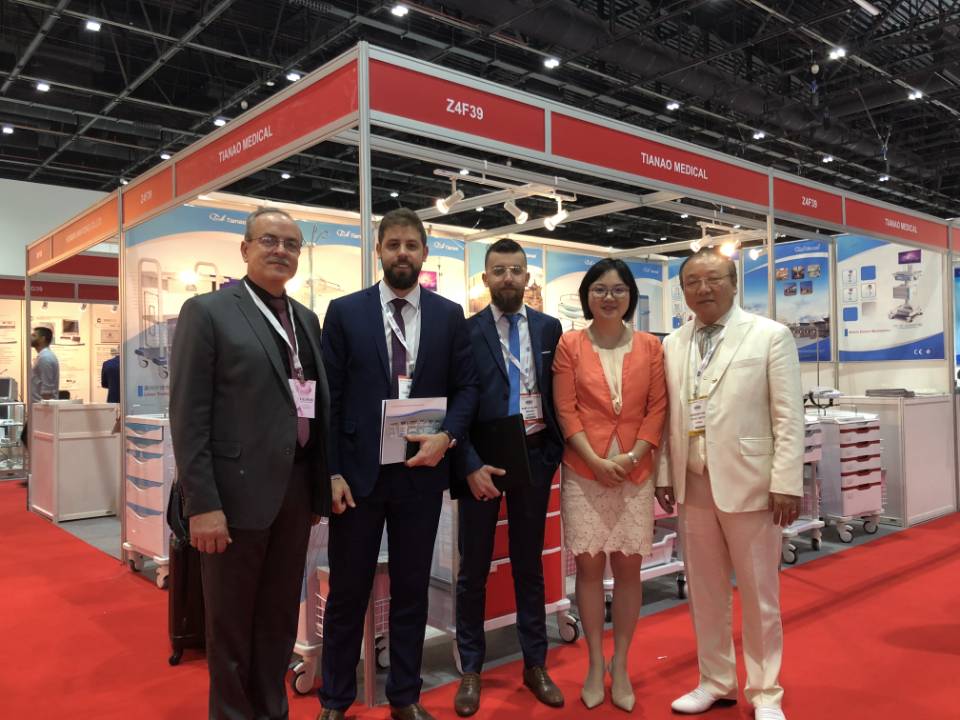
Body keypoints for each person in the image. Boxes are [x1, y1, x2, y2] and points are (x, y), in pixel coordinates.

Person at [169, 206, 332, 720]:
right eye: (269, 240)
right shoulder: (208, 312)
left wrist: (317, 488)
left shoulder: (305, 319)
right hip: (232, 497)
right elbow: (188, 416)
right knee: (232, 625)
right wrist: (202, 505)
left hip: (294, 491)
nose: (280, 250)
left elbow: (312, 405)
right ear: (244, 249)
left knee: (279, 619)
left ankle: (270, 711)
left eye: (291, 244)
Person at [318, 208, 479, 720]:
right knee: (348, 591)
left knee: (411, 591)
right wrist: (332, 471)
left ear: (425, 252)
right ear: (379, 251)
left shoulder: (449, 315)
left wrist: (448, 438)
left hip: (420, 472)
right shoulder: (345, 312)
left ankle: (405, 697)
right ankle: (335, 699)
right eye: (393, 245)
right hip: (358, 477)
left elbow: (467, 388)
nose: (402, 253)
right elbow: (329, 399)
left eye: (411, 245)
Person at [655, 248, 803, 720]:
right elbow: (667, 416)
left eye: (713, 278)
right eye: (692, 281)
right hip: (693, 481)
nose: (703, 289)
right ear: (682, 290)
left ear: (734, 283)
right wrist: (664, 473)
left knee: (760, 594)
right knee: (705, 591)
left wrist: (787, 480)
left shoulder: (769, 335)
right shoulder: (672, 343)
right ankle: (715, 681)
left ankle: (765, 692)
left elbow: (788, 415)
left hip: (752, 483)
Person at [450, 238, 565, 717]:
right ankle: (471, 669)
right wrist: (468, 463)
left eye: (516, 270)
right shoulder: (465, 331)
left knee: (528, 565)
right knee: (473, 568)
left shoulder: (549, 327)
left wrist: (553, 453)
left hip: (534, 456)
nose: (508, 278)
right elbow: (455, 401)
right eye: (499, 271)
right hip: (482, 461)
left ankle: (535, 663)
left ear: (527, 277)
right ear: (485, 279)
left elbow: (558, 393)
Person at [552, 258, 667, 712]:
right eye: (599, 289)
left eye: (618, 289)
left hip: (635, 472)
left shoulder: (651, 347)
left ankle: (620, 664)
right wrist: (595, 460)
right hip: (584, 471)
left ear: (631, 296)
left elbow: (657, 408)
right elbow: (566, 409)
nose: (609, 297)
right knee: (587, 568)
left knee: (628, 570)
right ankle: (595, 663)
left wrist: (633, 456)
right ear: (587, 296)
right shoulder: (570, 344)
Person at [23, 326, 60, 447]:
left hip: (43, 410)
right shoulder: (43, 357)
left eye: (34, 335)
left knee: (28, 439)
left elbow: (47, 390)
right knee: (28, 439)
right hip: (40, 409)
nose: (30, 337)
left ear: (43, 339)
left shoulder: (45, 358)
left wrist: (44, 415)